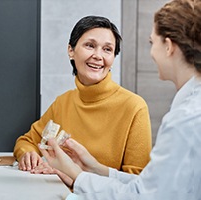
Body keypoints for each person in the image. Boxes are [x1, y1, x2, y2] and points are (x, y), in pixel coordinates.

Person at [40, 0, 201, 199]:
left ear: (168, 47)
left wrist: (75, 186)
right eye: (90, 46)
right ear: (71, 50)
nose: (151, 52)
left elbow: (143, 195)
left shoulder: (185, 119)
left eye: (152, 42)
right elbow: (150, 186)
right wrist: (94, 168)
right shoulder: (189, 110)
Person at [13, 15, 152, 180]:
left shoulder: (134, 107)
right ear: (71, 51)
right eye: (90, 45)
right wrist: (28, 154)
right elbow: (26, 140)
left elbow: (138, 183)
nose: (98, 55)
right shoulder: (63, 102)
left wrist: (77, 173)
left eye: (107, 49)